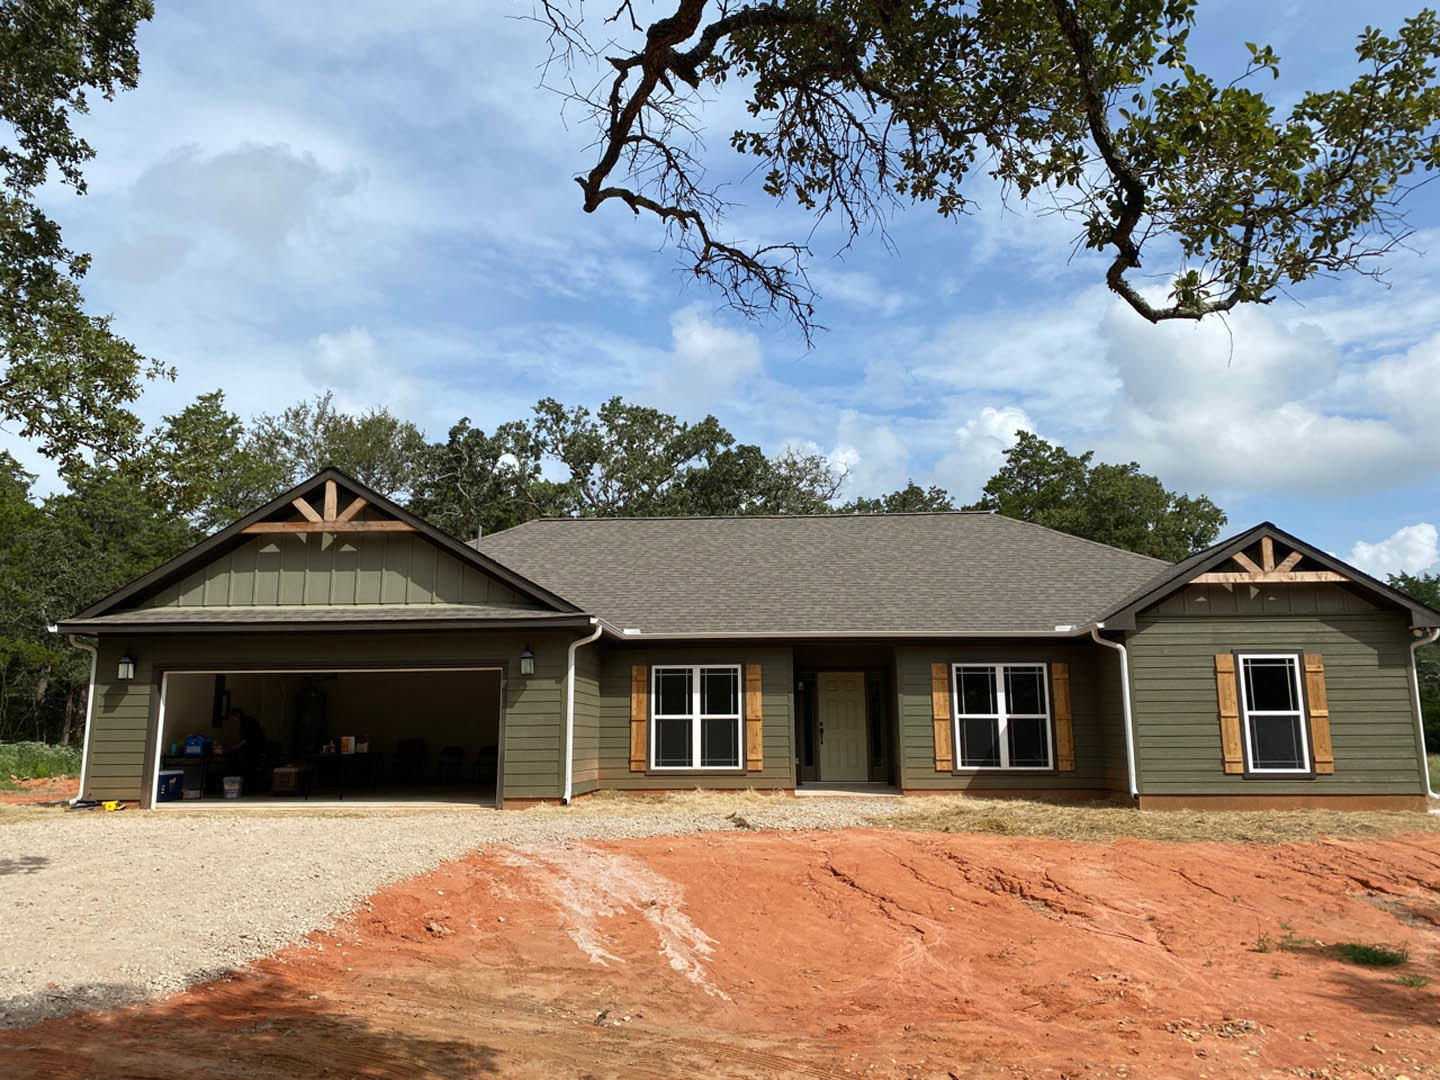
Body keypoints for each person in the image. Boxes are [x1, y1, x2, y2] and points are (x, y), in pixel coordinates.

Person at [227, 707, 268, 793]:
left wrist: (236, 747)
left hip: (254, 748)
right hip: (255, 748)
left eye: (233, 717)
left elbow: (247, 738)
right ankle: (250, 788)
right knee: (250, 768)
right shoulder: (248, 721)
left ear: (237, 715)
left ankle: (249, 789)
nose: (233, 720)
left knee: (249, 768)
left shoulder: (247, 723)